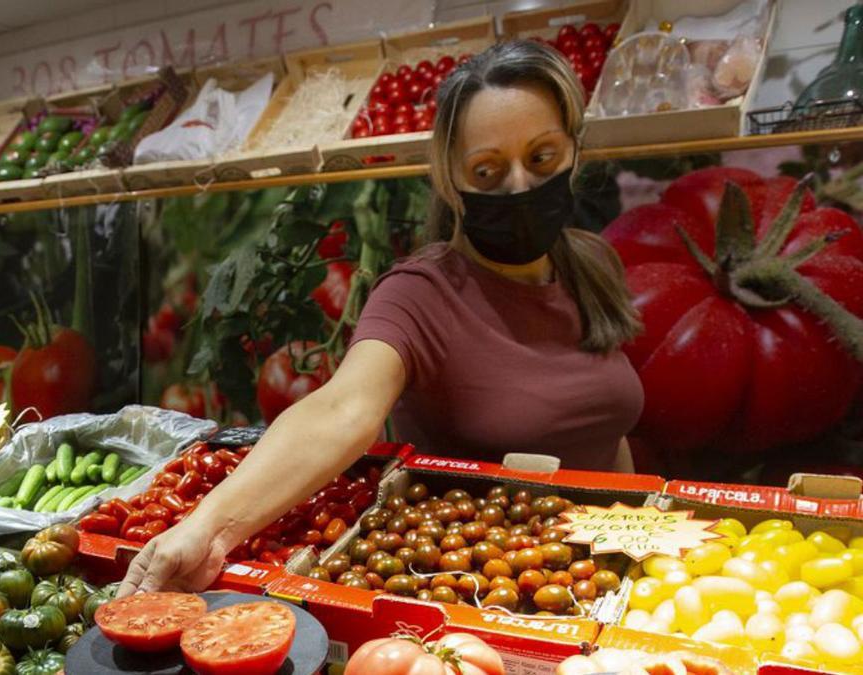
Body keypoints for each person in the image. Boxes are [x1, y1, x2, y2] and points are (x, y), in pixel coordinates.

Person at [118, 40, 645, 597]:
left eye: (541, 159)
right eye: (487, 171)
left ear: (573, 153)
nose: (519, 186)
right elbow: (342, 409)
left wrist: (635, 544)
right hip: (493, 590)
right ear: (451, 181)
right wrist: (207, 529)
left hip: (606, 580)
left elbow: (608, 430)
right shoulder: (420, 293)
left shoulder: (591, 262)